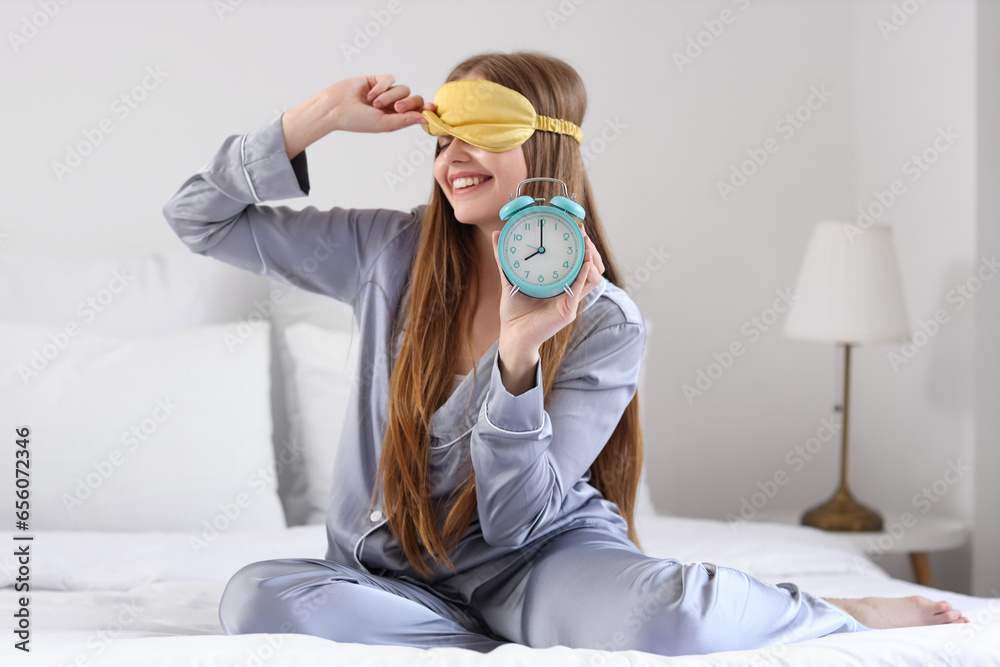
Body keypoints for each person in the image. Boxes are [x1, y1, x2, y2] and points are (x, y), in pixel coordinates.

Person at [162, 51, 967, 656]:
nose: (451, 160)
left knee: (672, 615)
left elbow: (515, 520)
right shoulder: (387, 251)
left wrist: (516, 357)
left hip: (538, 560)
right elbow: (198, 217)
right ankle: (484, 632)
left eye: (479, 136)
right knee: (259, 598)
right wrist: (318, 117)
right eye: (443, 140)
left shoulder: (605, 320)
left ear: (547, 147)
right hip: (389, 570)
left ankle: (830, 610)